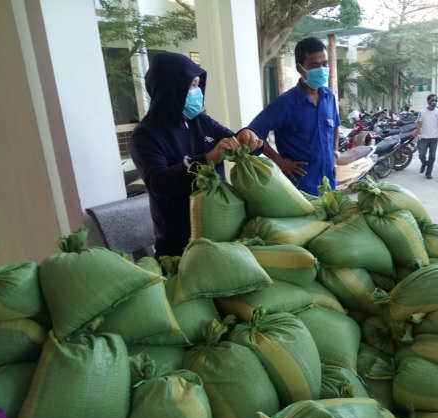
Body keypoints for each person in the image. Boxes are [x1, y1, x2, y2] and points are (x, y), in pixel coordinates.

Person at [130, 52, 263, 259]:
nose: (198, 92)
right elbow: (158, 182)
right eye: (192, 85)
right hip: (180, 244)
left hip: (221, 231)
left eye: (198, 85)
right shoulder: (146, 134)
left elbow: (236, 141)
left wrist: (249, 137)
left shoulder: (201, 122)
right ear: (171, 87)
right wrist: (207, 160)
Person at [248, 37, 341, 196]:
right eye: (314, 66)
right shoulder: (285, 103)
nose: (321, 70)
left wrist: (334, 153)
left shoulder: (329, 96)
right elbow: (253, 133)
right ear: (300, 68)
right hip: (301, 187)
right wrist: (279, 161)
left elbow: (335, 126)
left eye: (325, 64)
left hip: (328, 183)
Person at [415, 93, 438, 179]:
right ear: (428, 101)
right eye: (432, 100)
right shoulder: (422, 112)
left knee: (432, 156)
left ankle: (428, 173)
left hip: (434, 137)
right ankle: (424, 163)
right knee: (421, 155)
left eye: (435, 100)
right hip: (424, 137)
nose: (434, 102)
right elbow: (419, 124)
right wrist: (416, 135)